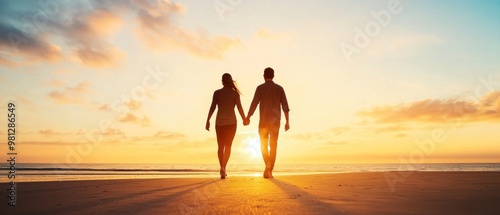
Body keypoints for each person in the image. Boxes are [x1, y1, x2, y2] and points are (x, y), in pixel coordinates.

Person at [246, 67, 290, 178]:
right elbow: (285, 106)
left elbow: (254, 103)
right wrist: (287, 121)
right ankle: (270, 169)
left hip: (264, 122)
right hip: (275, 123)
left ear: (264, 76)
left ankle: (267, 164)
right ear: (273, 76)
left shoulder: (260, 88)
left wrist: (248, 116)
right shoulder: (279, 89)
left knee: (263, 145)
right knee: (273, 146)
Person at [206, 73, 248, 179]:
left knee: (220, 146)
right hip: (231, 123)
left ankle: (222, 167)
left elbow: (212, 108)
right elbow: (239, 108)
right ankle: (224, 167)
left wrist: (208, 120)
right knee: (228, 146)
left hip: (219, 123)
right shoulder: (235, 94)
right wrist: (244, 119)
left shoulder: (217, 93)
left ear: (222, 81)